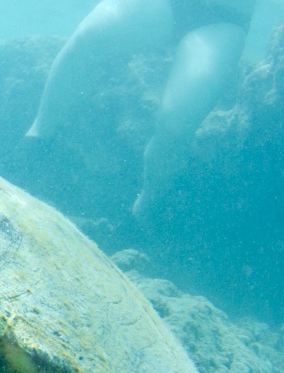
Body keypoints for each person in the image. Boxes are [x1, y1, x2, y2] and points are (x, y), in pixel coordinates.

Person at [26, 0, 255, 220]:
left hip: (226, 16)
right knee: (87, 39)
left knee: (176, 126)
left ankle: (146, 207)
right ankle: (36, 141)